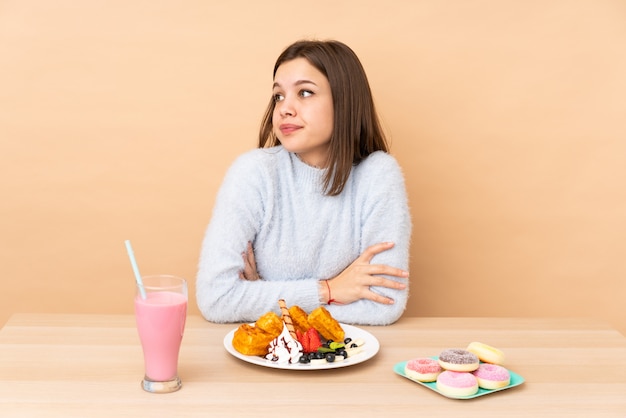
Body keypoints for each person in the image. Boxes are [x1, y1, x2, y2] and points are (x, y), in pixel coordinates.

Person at [196, 39, 411, 325]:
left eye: (305, 92)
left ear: (344, 100)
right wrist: (328, 291)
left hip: (347, 360)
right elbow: (216, 299)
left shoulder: (378, 176)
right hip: (265, 361)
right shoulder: (253, 172)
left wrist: (261, 298)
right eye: (278, 96)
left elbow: (384, 305)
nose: (285, 108)